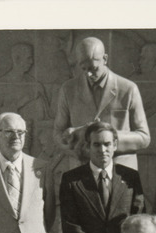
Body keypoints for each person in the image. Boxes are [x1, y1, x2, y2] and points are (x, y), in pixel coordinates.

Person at [53, 36, 150, 170]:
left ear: (105, 59)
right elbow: (58, 133)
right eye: (83, 68)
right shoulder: (68, 90)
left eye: (93, 68)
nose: (88, 74)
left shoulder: (128, 89)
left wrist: (103, 136)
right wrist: (75, 149)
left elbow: (144, 138)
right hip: (81, 170)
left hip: (120, 171)